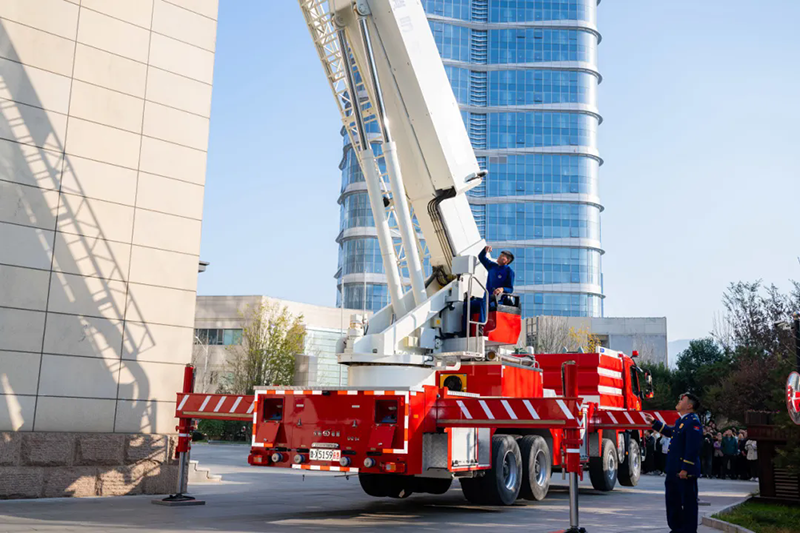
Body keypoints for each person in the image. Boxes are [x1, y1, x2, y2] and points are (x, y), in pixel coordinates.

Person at [644, 393, 703, 533]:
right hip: (674, 469)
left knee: (687, 503)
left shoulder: (693, 422)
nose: (679, 401)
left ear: (689, 406)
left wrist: (686, 468)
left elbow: (692, 448)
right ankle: (677, 528)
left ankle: (688, 530)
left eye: (682, 400)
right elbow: (671, 432)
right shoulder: (682, 421)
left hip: (683, 471)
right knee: (673, 501)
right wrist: (654, 422)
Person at [465, 245, 515, 331]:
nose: (499, 257)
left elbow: (510, 289)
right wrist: (485, 250)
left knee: (484, 302)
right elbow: (481, 257)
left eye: (502, 256)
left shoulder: (509, 272)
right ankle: (465, 329)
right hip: (486, 297)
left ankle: (481, 326)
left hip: (497, 300)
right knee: (467, 305)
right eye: (500, 255)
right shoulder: (492, 266)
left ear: (507, 260)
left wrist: (502, 289)